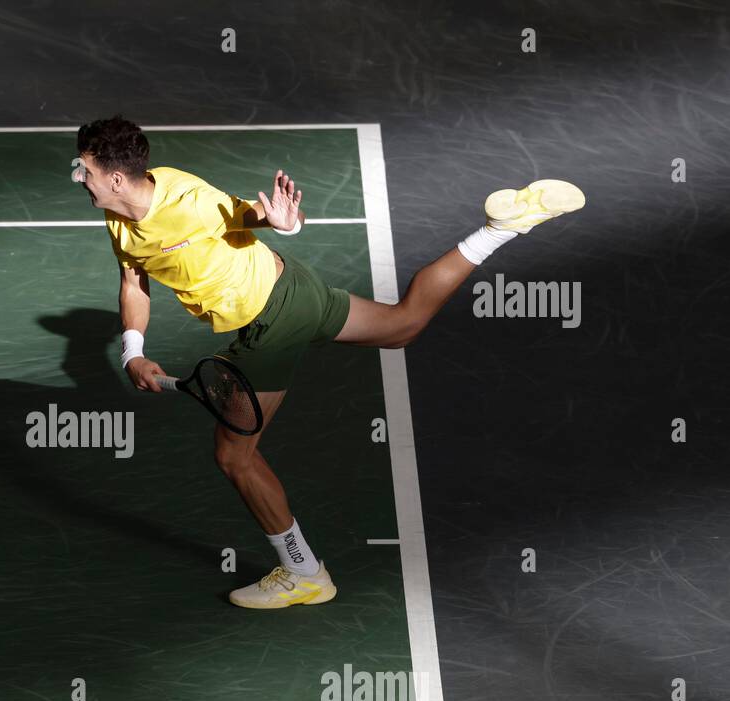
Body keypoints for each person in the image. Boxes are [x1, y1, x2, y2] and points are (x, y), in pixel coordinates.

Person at [74, 115, 584, 609]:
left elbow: (250, 215)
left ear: (116, 177)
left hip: (269, 323)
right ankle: (501, 229)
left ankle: (304, 574)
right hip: (292, 288)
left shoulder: (189, 199)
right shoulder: (117, 213)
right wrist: (134, 350)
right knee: (402, 325)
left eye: (86, 170)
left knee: (235, 457)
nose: (80, 178)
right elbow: (133, 281)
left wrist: (283, 222)